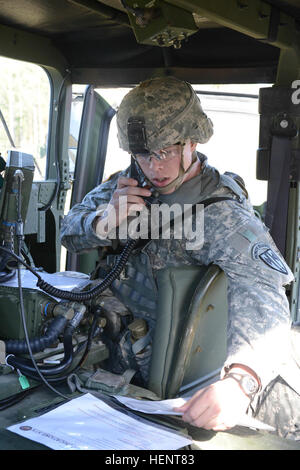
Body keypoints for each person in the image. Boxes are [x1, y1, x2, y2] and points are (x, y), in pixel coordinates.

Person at [61, 76, 300, 440]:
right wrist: (103, 223)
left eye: (166, 151)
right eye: (143, 154)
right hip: (110, 365)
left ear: (192, 142)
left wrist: (241, 380)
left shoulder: (220, 213)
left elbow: (264, 293)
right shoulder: (126, 184)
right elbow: (68, 230)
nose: (154, 167)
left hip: (173, 383)